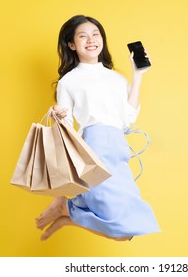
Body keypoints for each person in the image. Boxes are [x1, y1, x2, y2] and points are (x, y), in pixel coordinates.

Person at [35, 15, 160, 241]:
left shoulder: (117, 79)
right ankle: (66, 209)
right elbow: (66, 127)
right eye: (83, 36)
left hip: (119, 150)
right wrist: (58, 115)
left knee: (126, 233)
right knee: (120, 228)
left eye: (95, 34)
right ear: (72, 44)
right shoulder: (69, 81)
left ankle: (66, 212)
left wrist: (137, 75)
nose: (91, 40)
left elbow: (128, 118)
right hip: (93, 148)